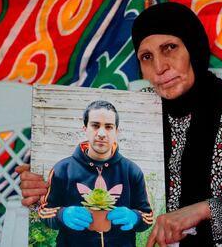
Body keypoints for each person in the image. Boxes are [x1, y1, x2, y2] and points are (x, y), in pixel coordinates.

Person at [16, 2, 222, 247]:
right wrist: (47, 184)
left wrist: (202, 211)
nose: (159, 68)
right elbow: (102, 185)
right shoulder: (133, 111)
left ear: (193, 47)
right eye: (146, 57)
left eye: (170, 48)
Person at [36, 100, 153, 247]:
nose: (102, 133)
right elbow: (43, 211)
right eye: (95, 125)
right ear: (85, 128)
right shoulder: (62, 169)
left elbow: (148, 216)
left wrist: (135, 217)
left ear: (117, 131)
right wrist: (62, 215)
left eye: (109, 127)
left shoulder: (132, 171)